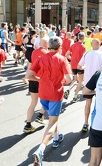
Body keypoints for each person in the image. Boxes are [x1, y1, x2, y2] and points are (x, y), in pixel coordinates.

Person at [26, 36, 72, 165]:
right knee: (52, 122)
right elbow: (69, 79)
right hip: (56, 94)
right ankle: (41, 149)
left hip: (43, 93)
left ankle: (56, 138)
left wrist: (40, 79)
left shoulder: (41, 58)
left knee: (53, 117)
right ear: (60, 47)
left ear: (48, 46)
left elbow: (28, 75)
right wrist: (63, 80)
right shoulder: (62, 59)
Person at [78, 38, 102, 132]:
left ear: (91, 44)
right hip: (99, 81)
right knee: (101, 104)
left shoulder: (86, 53)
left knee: (88, 103)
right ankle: (99, 124)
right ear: (99, 45)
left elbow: (79, 66)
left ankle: (85, 123)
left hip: (88, 82)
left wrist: (85, 67)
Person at [23, 37, 48, 133]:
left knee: (33, 102)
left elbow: (31, 64)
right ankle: (40, 115)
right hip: (42, 79)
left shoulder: (34, 52)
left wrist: (26, 75)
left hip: (32, 78)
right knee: (47, 100)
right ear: (46, 44)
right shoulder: (46, 53)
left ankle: (28, 124)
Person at [65, 32, 86, 102]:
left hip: (73, 65)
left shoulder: (73, 45)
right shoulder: (83, 47)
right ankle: (75, 96)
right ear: (83, 38)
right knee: (80, 81)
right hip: (80, 65)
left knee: (75, 80)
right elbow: (85, 57)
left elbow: (66, 55)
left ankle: (68, 89)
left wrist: (72, 59)